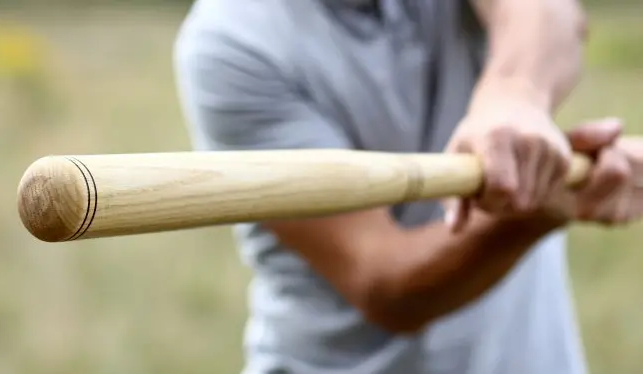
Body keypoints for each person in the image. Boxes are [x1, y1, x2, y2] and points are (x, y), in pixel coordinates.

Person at [173, 1, 643, 373]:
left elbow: (551, 13)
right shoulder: (230, 42)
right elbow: (386, 285)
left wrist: (513, 99)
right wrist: (535, 211)